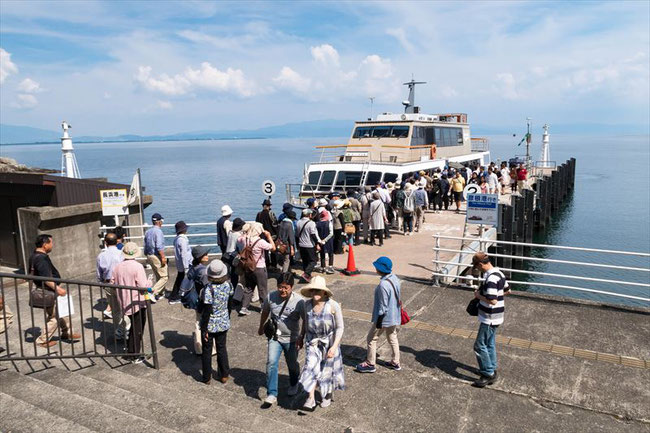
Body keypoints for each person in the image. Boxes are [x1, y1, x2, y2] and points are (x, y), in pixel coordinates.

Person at [298, 276, 345, 410]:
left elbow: (340, 327)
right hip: (312, 341)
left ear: (324, 292)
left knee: (326, 371)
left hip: (329, 342)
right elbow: (305, 324)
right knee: (311, 367)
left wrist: (334, 346)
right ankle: (311, 398)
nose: (315, 294)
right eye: (313, 291)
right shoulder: (306, 305)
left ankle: (327, 395)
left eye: (318, 291)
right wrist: (301, 337)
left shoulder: (333, 305)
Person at [258, 273, 304, 408]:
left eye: (286, 288)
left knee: (292, 364)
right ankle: (272, 393)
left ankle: (294, 382)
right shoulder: (271, 296)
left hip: (291, 338)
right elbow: (265, 311)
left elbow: (305, 320)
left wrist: (302, 337)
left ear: (292, 287)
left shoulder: (299, 301)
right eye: (280, 287)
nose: (282, 290)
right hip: (275, 337)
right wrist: (261, 327)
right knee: (271, 362)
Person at [29, 234, 80, 347]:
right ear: (45, 244)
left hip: (47, 290)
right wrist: (58, 289)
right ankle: (42, 340)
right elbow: (46, 278)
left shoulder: (35, 255)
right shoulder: (41, 259)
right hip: (48, 290)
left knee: (62, 312)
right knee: (54, 318)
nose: (52, 245)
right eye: (51, 242)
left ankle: (67, 332)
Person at [471, 252, 510, 388]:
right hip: (497, 316)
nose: (477, 269)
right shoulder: (499, 273)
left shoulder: (491, 278)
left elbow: (492, 300)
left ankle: (487, 373)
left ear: (481, 264)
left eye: (477, 267)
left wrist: (478, 296)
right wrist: (495, 295)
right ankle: (491, 368)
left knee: (479, 345)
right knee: (490, 343)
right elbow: (507, 291)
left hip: (490, 318)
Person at [356, 257, 402, 373]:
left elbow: (383, 306)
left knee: (371, 339)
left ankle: (370, 363)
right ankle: (395, 362)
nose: (375, 268)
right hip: (394, 315)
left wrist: (378, 322)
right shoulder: (394, 278)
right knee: (392, 337)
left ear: (380, 268)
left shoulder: (383, 285)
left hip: (384, 318)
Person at [112, 242, 150, 364]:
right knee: (137, 328)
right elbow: (143, 286)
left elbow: (112, 283)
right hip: (137, 301)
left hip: (123, 300)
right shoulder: (137, 266)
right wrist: (150, 282)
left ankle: (130, 350)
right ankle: (134, 354)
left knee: (133, 327)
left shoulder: (117, 267)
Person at [200, 260, 234, 384]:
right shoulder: (229, 286)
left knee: (207, 351)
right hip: (223, 321)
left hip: (210, 324)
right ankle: (224, 375)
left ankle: (207, 377)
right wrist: (227, 317)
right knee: (221, 348)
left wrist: (203, 329)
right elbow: (229, 304)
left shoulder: (208, 289)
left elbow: (207, 311)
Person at [237, 222, 275, 316]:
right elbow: (273, 248)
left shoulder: (244, 239)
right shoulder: (260, 241)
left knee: (249, 288)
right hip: (259, 268)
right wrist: (269, 236)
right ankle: (263, 307)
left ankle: (244, 307)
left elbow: (238, 239)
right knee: (262, 289)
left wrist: (246, 231)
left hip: (248, 267)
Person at [181, 245, 212, 355]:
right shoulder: (203, 271)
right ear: (200, 257)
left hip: (195, 299)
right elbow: (208, 287)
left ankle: (198, 348)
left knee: (198, 322)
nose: (207, 256)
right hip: (203, 300)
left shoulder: (192, 267)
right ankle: (209, 348)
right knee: (207, 323)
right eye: (205, 255)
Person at [96, 232, 128, 340]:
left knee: (115, 310)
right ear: (117, 241)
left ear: (105, 242)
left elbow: (99, 273)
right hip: (121, 283)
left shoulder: (101, 255)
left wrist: (102, 282)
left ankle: (119, 330)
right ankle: (126, 329)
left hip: (108, 283)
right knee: (125, 307)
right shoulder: (121, 254)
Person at [144, 213, 168, 301]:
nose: (162, 222)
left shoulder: (148, 231)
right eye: (161, 221)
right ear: (158, 222)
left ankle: (160, 293)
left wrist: (147, 256)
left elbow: (145, 245)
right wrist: (163, 257)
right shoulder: (158, 231)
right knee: (164, 277)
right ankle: (153, 292)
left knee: (158, 275)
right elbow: (159, 246)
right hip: (156, 256)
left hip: (149, 255)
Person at [296, 209, 321, 283]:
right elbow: (313, 234)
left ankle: (307, 276)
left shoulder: (298, 222)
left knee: (305, 261)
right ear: (309, 215)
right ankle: (306, 274)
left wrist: (297, 245)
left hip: (301, 244)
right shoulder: (311, 223)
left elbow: (297, 235)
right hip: (309, 244)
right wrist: (317, 243)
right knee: (313, 261)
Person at [169, 221, 192, 305]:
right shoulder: (183, 240)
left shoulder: (177, 238)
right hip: (184, 264)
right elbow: (184, 254)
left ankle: (176, 295)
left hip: (180, 263)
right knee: (181, 279)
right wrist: (186, 267)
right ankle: (174, 297)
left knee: (180, 278)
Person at [223, 218, 245, 289]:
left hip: (227, 255)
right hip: (233, 256)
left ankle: (229, 288)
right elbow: (240, 247)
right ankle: (234, 289)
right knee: (234, 274)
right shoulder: (238, 235)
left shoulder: (230, 232)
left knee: (227, 275)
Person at [256, 199, 279, 269]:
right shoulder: (271, 214)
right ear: (269, 206)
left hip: (263, 235)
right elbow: (275, 225)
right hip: (272, 236)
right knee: (273, 250)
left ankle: (267, 264)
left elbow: (257, 225)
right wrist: (277, 234)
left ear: (263, 206)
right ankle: (274, 265)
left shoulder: (259, 214)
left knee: (265, 251)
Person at [315, 209, 334, 274]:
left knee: (322, 254)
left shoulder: (317, 223)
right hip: (328, 240)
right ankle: (330, 267)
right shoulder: (329, 223)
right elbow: (331, 233)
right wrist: (325, 240)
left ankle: (323, 268)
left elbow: (316, 233)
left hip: (320, 241)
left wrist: (319, 240)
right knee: (330, 253)